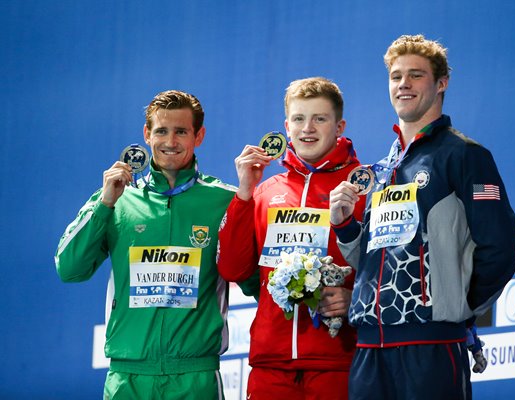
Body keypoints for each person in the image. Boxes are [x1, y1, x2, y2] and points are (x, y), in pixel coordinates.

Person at [329, 34, 515, 400]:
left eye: (416, 75)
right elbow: (371, 258)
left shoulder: (464, 155)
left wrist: (457, 307)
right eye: (396, 76)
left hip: (430, 345)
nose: (403, 84)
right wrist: (345, 225)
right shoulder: (381, 169)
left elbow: (501, 247)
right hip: (369, 348)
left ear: (441, 83)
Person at [55, 90, 236, 400]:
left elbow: (249, 275)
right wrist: (103, 205)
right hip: (128, 376)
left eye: (181, 131)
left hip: (194, 376)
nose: (170, 141)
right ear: (146, 134)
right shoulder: (117, 198)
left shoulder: (224, 200)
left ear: (199, 135)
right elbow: (70, 269)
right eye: (162, 130)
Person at [218, 77, 365, 400]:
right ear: (286, 126)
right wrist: (244, 193)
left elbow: (387, 270)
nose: (307, 128)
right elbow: (233, 269)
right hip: (270, 364)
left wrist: (356, 299)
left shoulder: (364, 187)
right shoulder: (266, 191)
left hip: (338, 360)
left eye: (320, 119)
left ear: (340, 126)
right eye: (299, 119)